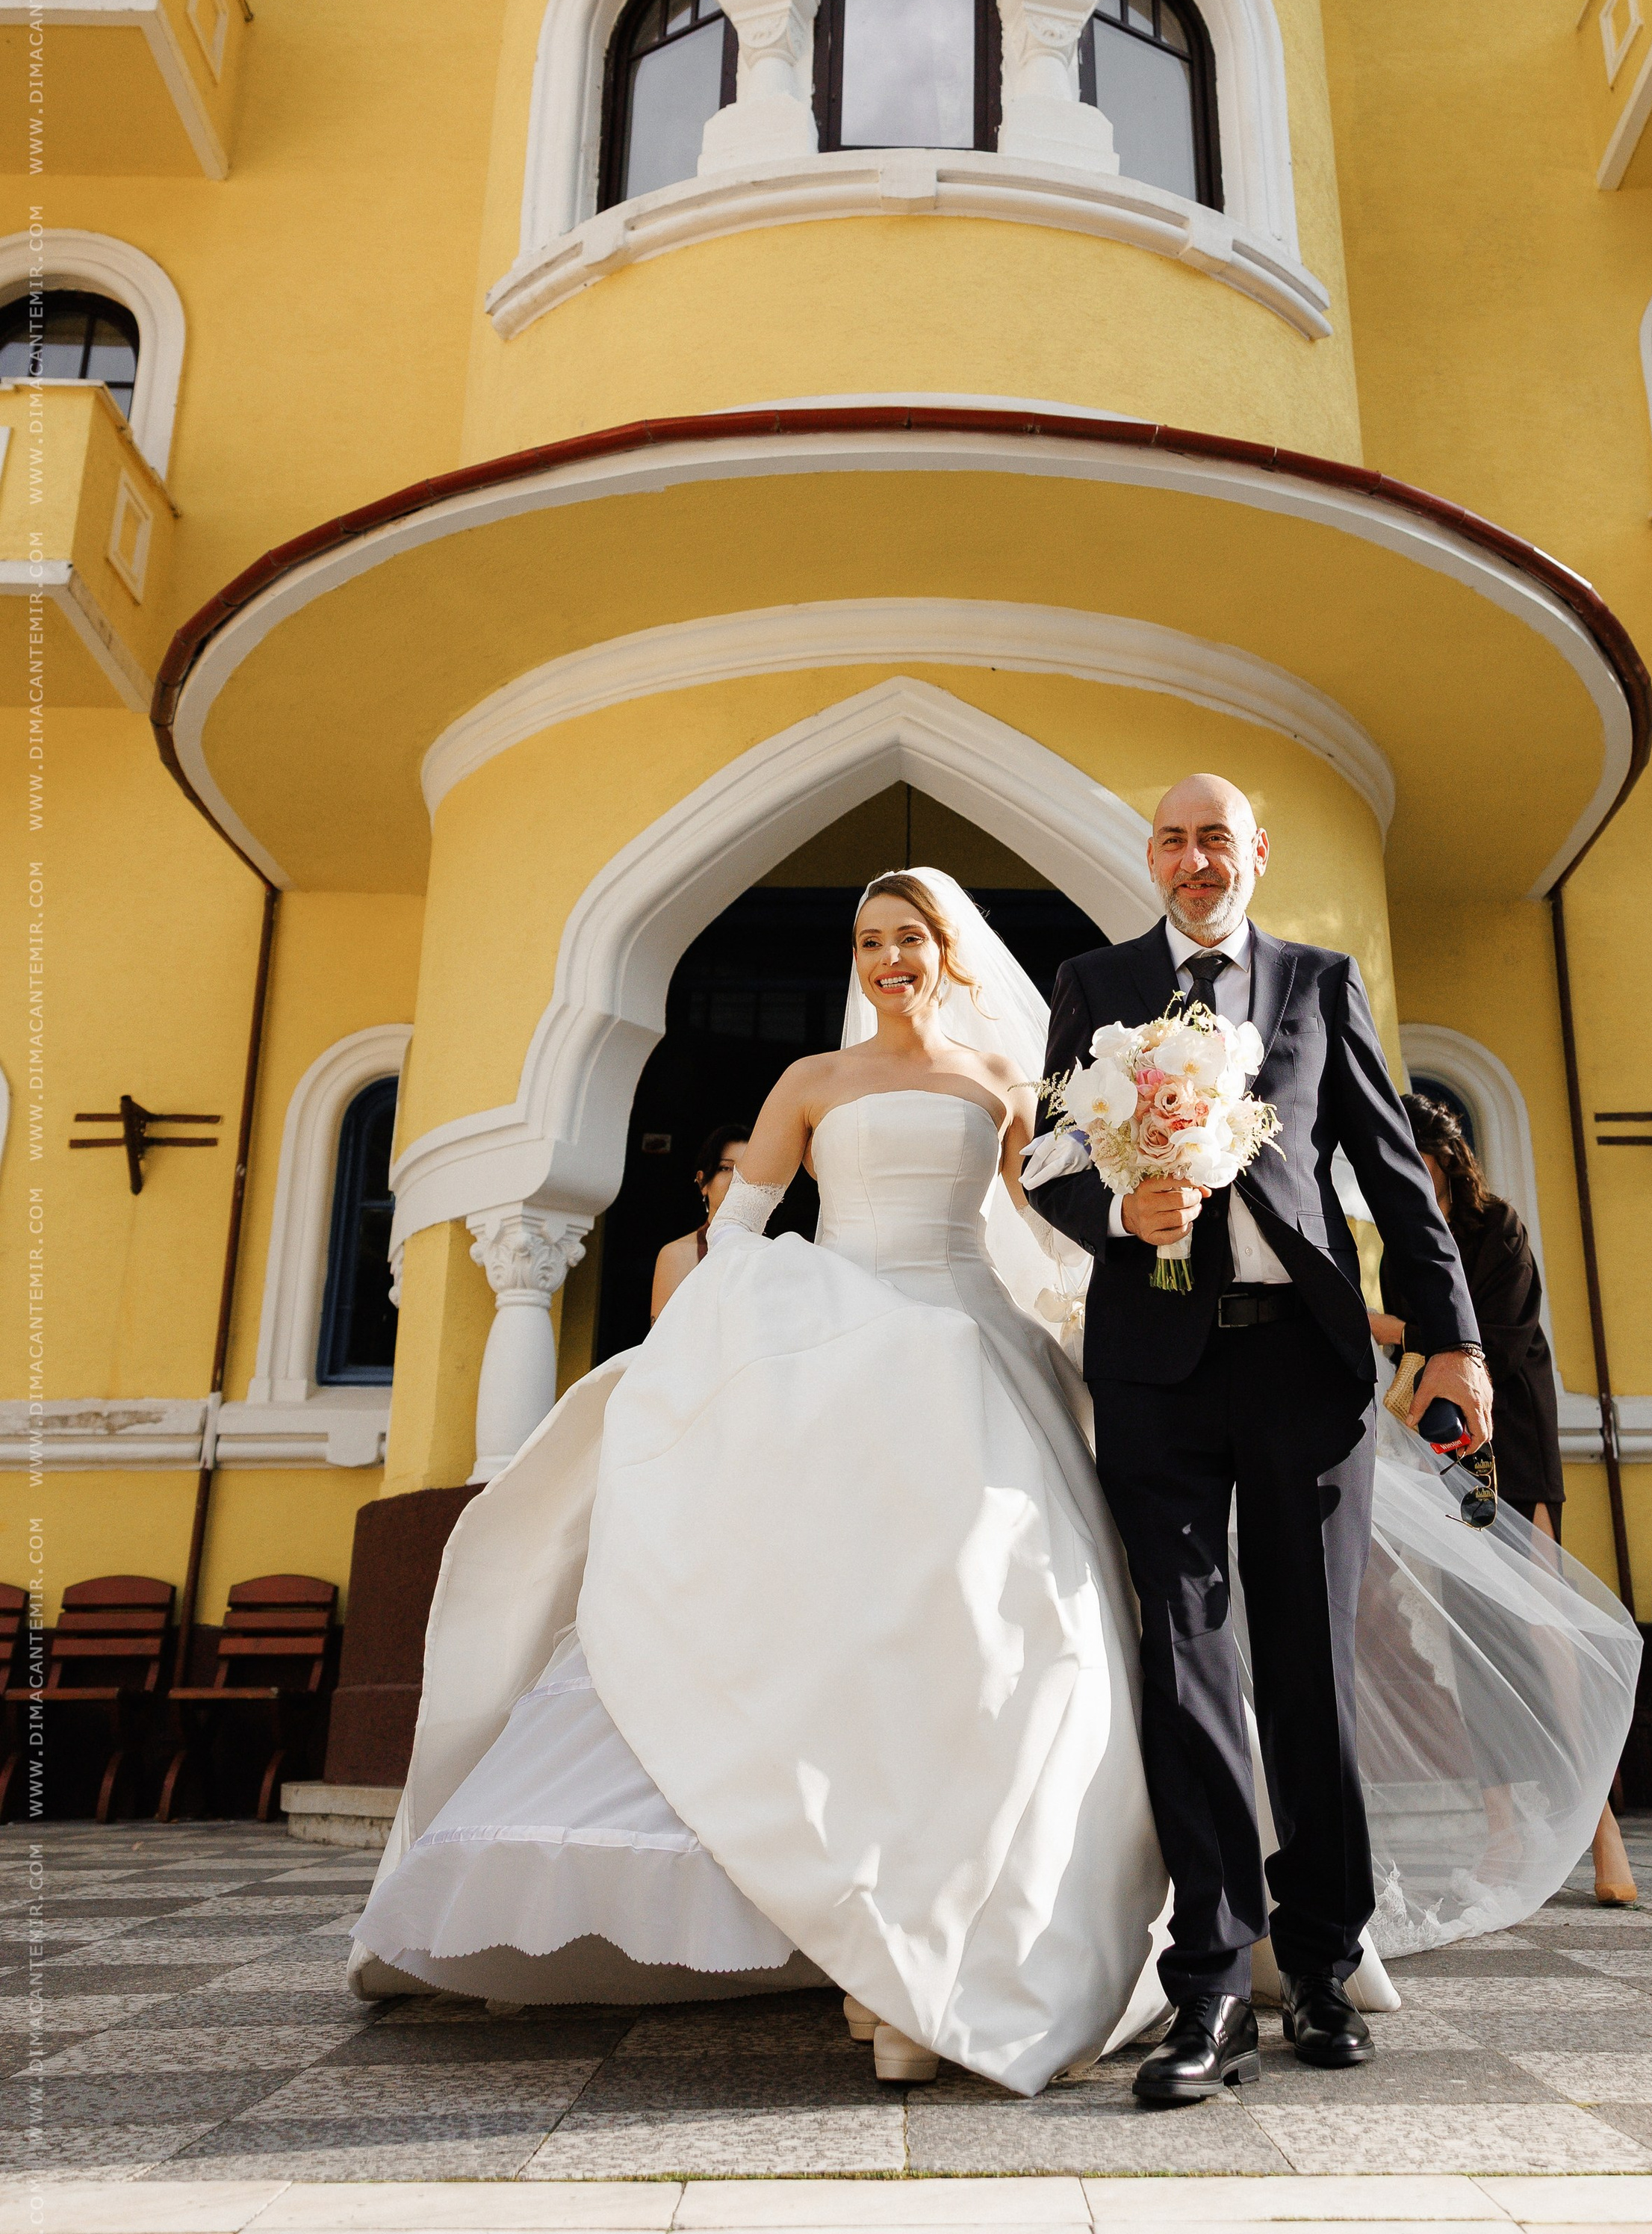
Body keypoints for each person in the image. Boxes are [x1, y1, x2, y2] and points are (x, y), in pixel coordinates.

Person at [350, 873, 1167, 2097]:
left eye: (912, 939)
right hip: (840, 1359)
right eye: (871, 941)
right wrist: (719, 1347)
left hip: (976, 1354)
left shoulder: (1001, 1086)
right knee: (827, 1639)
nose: (890, 958)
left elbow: (1049, 1225)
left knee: (1007, 1639)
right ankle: (852, 1937)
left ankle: (943, 1949)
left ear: (949, 954)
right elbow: (742, 1236)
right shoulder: (808, 1086)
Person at [1021, 773, 1497, 2101]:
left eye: (1214, 837)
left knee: (1307, 1669)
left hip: (1303, 1364)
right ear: (1152, 859)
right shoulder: (1092, 981)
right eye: (1172, 839)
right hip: (1158, 1370)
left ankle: (1327, 1965)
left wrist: (1456, 1342)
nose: (1193, 859)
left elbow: (1396, 1172)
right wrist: (1126, 1219)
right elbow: (1050, 1159)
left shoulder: (1316, 982)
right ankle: (1212, 1989)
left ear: (1255, 856)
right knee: (1184, 1665)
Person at [1375, 1092, 1638, 1910]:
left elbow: (1491, 1338)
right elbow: (1415, 1361)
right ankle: (1504, 1830)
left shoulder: (1500, 1229)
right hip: (1445, 1455)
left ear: (1447, 1160)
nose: (1404, 1177)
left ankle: (1599, 1824)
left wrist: (1375, 1324)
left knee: (1540, 1626)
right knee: (1469, 1632)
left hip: (1513, 1443)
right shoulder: (1400, 1245)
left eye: (1414, 1160)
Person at [650, 1121, 750, 1323]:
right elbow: (662, 1342)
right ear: (703, 1182)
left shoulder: (775, 1250)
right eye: (726, 1168)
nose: (737, 1179)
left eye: (746, 1169)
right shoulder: (677, 1254)